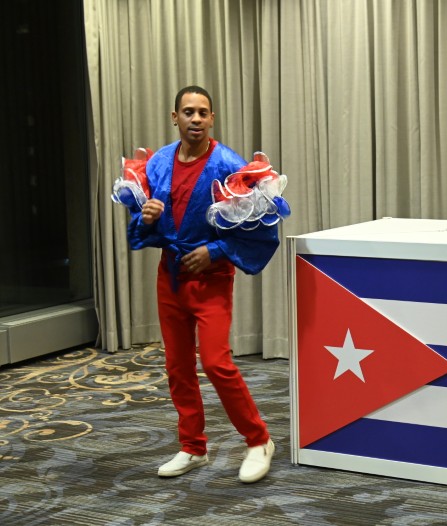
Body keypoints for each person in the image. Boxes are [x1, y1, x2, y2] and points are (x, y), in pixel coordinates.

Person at [127, 86, 280, 482]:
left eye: (202, 112)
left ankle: (259, 440)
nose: (195, 119)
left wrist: (214, 251)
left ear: (212, 118)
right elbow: (143, 222)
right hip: (171, 276)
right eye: (188, 111)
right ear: (174, 117)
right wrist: (147, 217)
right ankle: (193, 446)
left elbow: (261, 228)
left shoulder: (229, 164)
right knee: (177, 366)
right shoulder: (160, 162)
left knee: (215, 362)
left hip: (210, 279)